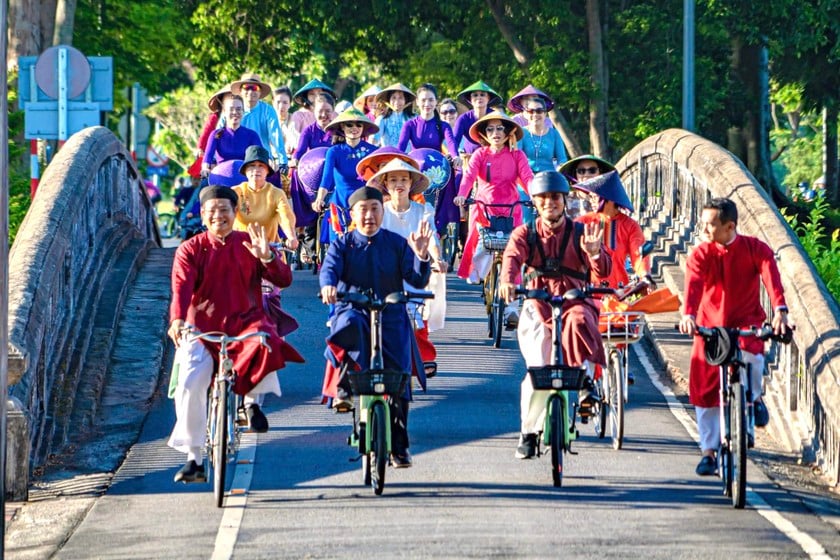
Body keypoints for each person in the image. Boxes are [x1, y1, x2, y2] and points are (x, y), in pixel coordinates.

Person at [167, 186, 304, 482]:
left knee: (264, 339)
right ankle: (194, 458)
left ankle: (251, 404)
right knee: (189, 382)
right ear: (203, 216)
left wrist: (267, 257)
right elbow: (182, 288)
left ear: (235, 213)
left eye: (225, 210)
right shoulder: (190, 250)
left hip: (245, 322)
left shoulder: (249, 242)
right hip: (202, 329)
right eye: (212, 211)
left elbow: (284, 279)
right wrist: (177, 320)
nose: (219, 216)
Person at [319, 186, 433, 468]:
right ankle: (344, 387)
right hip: (353, 309)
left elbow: (417, 281)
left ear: (382, 212)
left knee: (399, 376)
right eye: (363, 210)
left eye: (374, 209)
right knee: (347, 326)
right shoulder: (342, 244)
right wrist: (329, 286)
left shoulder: (396, 242)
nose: (369, 215)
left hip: (391, 313)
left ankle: (399, 445)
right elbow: (329, 270)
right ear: (353, 214)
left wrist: (421, 257)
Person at [498, 171, 609, 459]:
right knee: (538, 371)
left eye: (556, 197)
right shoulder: (525, 233)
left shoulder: (582, 233)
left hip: (574, 302)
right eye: (544, 198)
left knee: (581, 321)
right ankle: (529, 432)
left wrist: (595, 254)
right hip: (537, 306)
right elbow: (512, 257)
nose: (550, 203)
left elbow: (604, 271)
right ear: (535, 202)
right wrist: (509, 280)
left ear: (564, 200)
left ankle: (585, 382)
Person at [678, 197, 789, 476]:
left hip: (746, 322)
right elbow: (692, 285)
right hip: (710, 326)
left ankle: (753, 399)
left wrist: (780, 311)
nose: (704, 229)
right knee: (706, 389)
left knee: (752, 356)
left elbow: (771, 277)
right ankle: (709, 451)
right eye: (703, 223)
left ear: (730, 227)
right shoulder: (702, 254)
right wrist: (688, 315)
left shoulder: (755, 249)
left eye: (710, 224)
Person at [453, 111, 533, 327]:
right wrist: (462, 194)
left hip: (510, 209)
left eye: (500, 129)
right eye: (490, 129)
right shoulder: (480, 154)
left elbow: (527, 178)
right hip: (484, 208)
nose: (495, 133)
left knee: (513, 256)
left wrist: (537, 194)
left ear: (508, 133)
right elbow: (469, 176)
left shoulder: (517, 156)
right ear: (484, 133)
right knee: (480, 248)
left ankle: (511, 310)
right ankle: (481, 274)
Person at [369, 158, 448, 374]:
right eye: (393, 180)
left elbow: (430, 237)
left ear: (411, 183)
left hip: (415, 269)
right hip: (385, 272)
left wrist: (437, 258)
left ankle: (423, 356)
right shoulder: (379, 211)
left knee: (418, 311)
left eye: (403, 179)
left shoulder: (423, 210)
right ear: (386, 184)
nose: (398, 184)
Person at [397, 83, 460, 233]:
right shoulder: (409, 125)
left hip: (437, 175)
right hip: (416, 173)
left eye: (431, 100)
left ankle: (440, 235)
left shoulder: (443, 126)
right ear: (417, 102)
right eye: (423, 100)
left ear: (436, 102)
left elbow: (451, 143)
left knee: (438, 210)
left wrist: (455, 155)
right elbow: (400, 148)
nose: (427, 104)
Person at [574, 170, 652, 291]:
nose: (591, 201)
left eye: (594, 197)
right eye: (590, 197)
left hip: (619, 292)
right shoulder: (582, 222)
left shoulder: (630, 225)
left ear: (609, 198)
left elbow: (638, 255)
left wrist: (645, 276)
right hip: (586, 293)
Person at [312, 108, 379, 241]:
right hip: (340, 206)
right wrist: (319, 199)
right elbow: (326, 180)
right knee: (337, 249)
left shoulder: (373, 151)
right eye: (349, 124)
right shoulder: (334, 151)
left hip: (365, 205)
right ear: (342, 127)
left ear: (363, 128)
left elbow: (378, 180)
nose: (354, 128)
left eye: (358, 125)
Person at [232, 145, 298, 248]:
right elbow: (226, 216)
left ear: (267, 171)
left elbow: (286, 217)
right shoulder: (235, 192)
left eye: (261, 166)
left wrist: (291, 237)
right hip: (241, 249)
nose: (256, 169)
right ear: (245, 170)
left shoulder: (276, 193)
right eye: (252, 165)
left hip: (270, 248)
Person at [231, 73, 287, 169]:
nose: (250, 91)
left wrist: (283, 161)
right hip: (236, 158)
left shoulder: (267, 110)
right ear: (240, 91)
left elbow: (275, 135)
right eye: (246, 87)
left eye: (254, 88)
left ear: (260, 92)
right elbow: (220, 133)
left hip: (262, 158)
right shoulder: (232, 109)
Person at [201, 94, 262, 176]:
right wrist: (205, 169)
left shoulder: (252, 135)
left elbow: (261, 157)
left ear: (243, 112)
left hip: (245, 179)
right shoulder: (215, 135)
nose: (235, 112)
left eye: (238, 109)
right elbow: (207, 158)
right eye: (231, 109)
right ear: (224, 112)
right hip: (222, 178)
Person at [559, 154, 616, 219]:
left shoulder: (609, 201)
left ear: (600, 173)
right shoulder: (564, 201)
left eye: (592, 170)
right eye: (581, 171)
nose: (586, 175)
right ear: (575, 175)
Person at [374, 83, 415, 147]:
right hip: (388, 155)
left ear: (405, 100)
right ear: (389, 100)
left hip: (408, 156)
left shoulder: (414, 119)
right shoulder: (382, 119)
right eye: (393, 98)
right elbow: (374, 140)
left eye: (400, 98)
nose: (396, 101)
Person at [273, 86, 299, 162]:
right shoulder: (267, 120)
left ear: (290, 104)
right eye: (278, 102)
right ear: (272, 102)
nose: (281, 106)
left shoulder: (295, 119)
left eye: (285, 102)